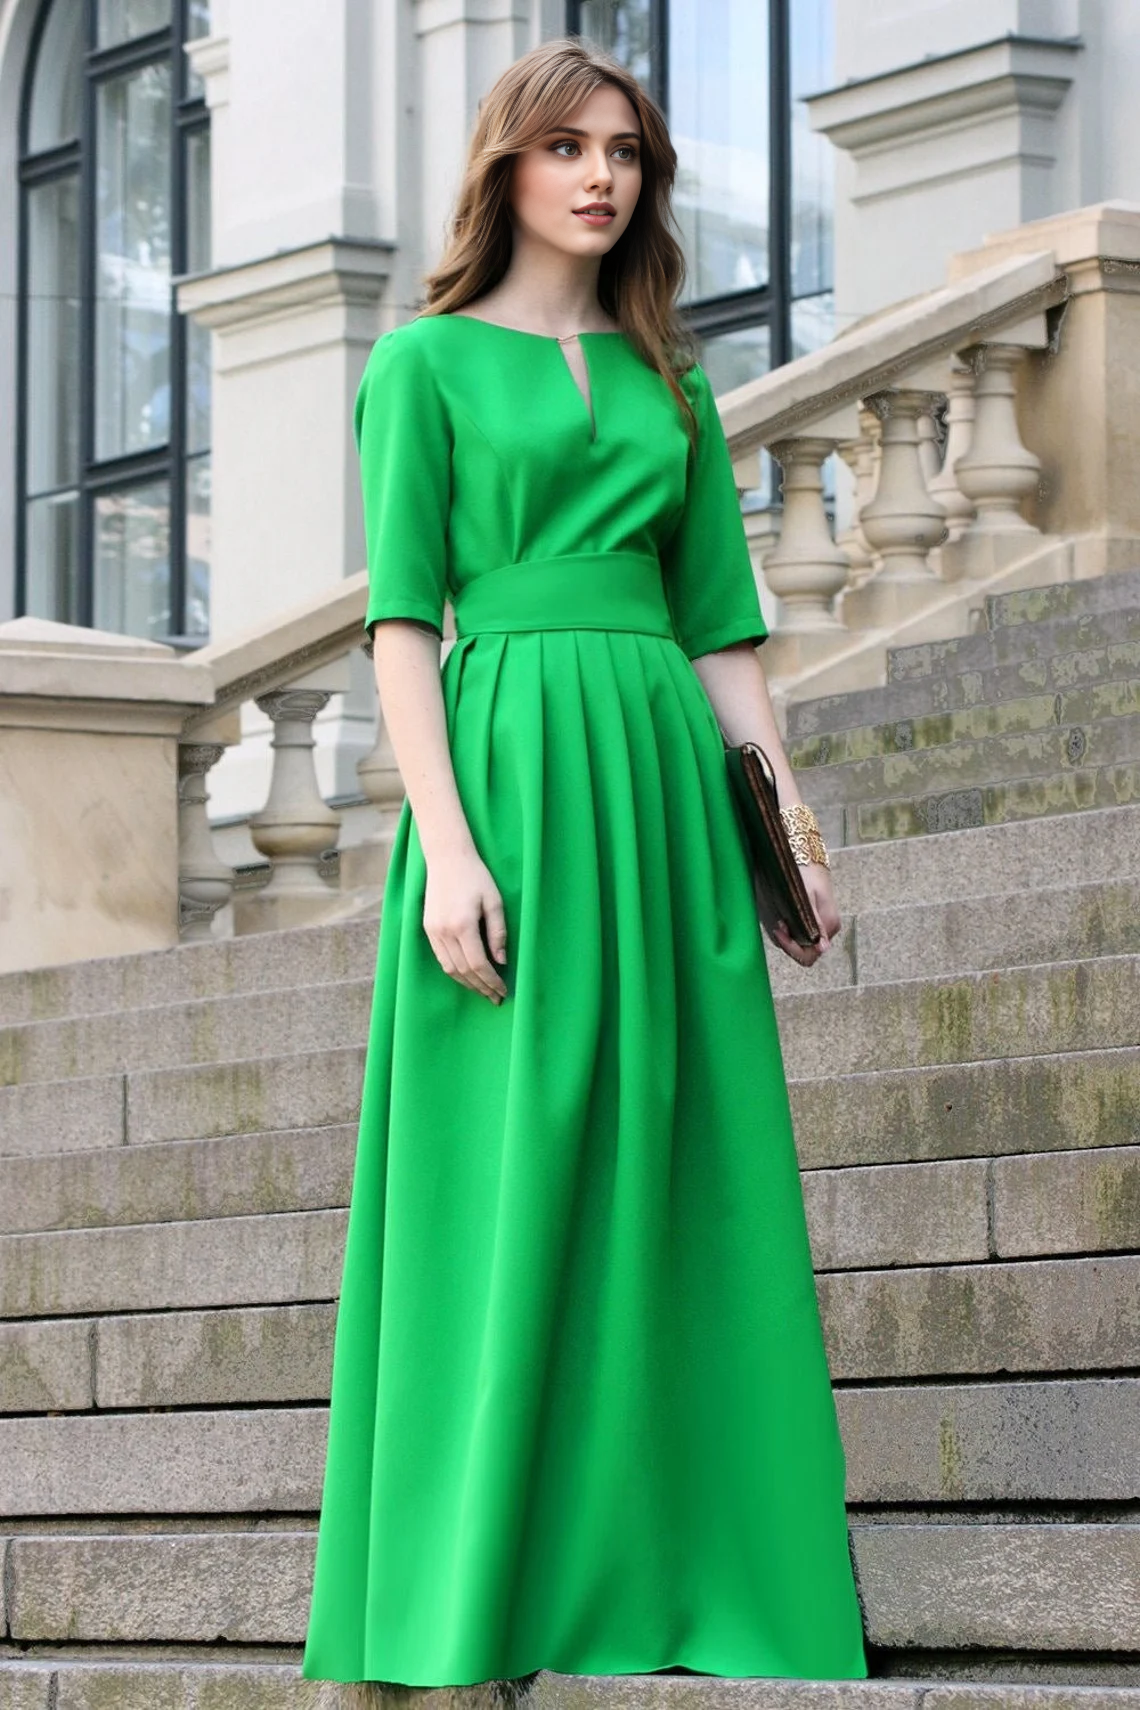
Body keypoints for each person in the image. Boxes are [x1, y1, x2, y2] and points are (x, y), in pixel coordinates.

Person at [301, 33, 868, 1692]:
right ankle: (465, 1598)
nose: (603, 175)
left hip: (667, 800)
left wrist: (791, 829)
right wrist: (449, 852)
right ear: (508, 168)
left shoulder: (671, 381)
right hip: (514, 787)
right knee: (506, 1188)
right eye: (567, 147)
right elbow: (404, 625)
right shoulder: (420, 369)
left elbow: (722, 630)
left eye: (626, 149)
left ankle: (690, 1566)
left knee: (686, 1182)